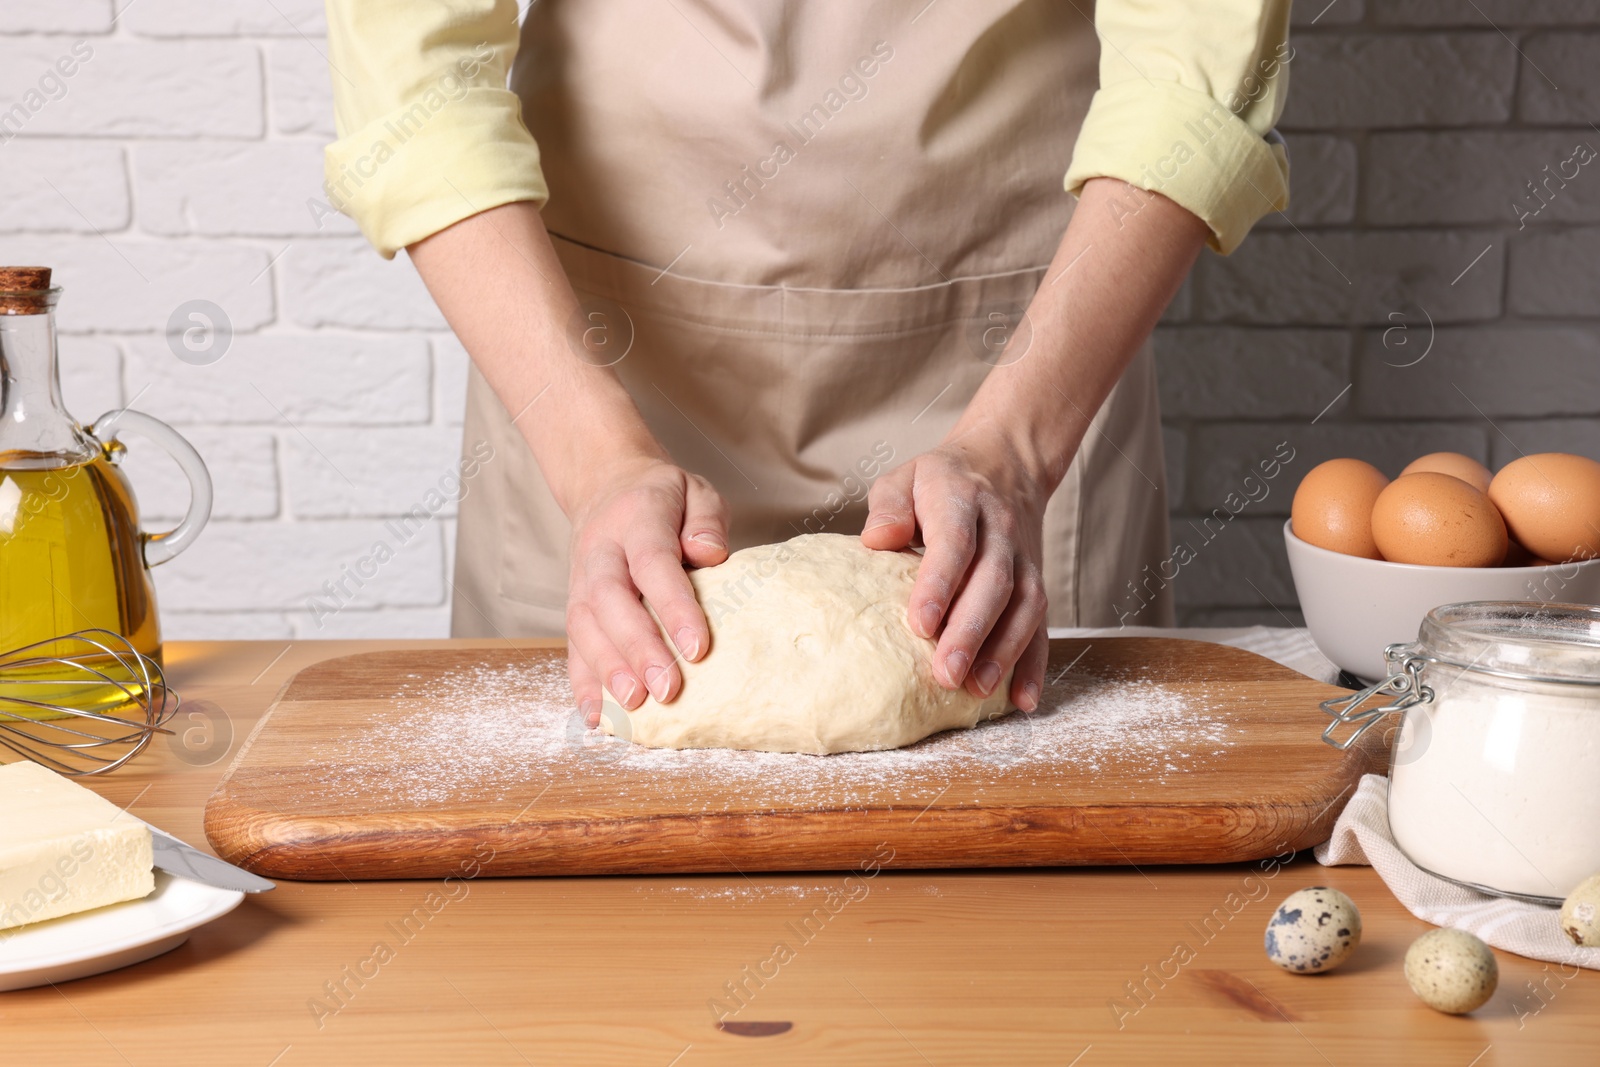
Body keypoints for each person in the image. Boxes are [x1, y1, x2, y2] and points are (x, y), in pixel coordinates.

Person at [322, 0, 1291, 727]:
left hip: (1024, 351)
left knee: (1033, 927)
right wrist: (594, 461)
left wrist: (1016, 450)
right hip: (593, 365)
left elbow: (1192, 61)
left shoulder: (1022, 430)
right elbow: (413, 72)